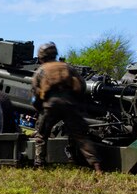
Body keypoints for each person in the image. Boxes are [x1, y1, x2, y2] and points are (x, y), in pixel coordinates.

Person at [31, 42, 102, 174]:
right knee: (81, 137)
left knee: (41, 136)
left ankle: (39, 165)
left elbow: (35, 94)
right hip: (70, 105)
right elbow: (82, 85)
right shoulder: (67, 67)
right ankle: (97, 166)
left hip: (51, 106)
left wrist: (39, 109)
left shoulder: (41, 71)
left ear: (41, 57)